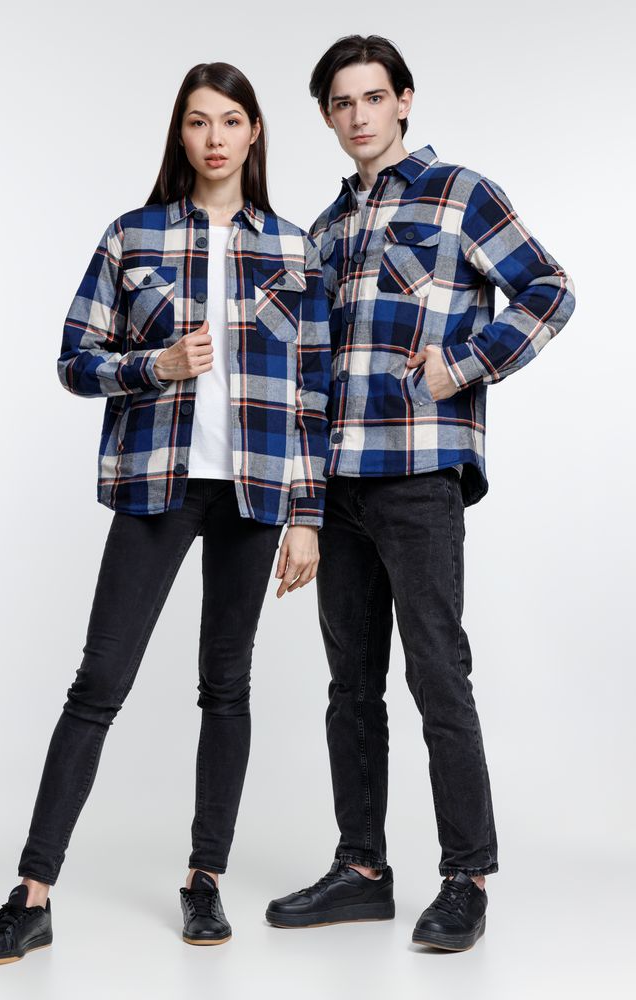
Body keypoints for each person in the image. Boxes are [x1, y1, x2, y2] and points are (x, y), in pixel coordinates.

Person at [0, 61, 330, 964]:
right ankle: (32, 894)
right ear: (181, 134)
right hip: (153, 483)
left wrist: (308, 515)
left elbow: (312, 396)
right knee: (99, 685)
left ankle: (204, 878)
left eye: (232, 120)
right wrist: (154, 366)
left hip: (253, 493)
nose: (215, 137)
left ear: (254, 132)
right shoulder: (133, 235)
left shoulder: (295, 249)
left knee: (227, 686)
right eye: (199, 121)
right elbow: (73, 359)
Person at [265, 34, 575, 951]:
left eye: (373, 97)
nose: (357, 116)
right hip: (340, 487)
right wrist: (302, 508)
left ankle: (465, 877)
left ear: (403, 99)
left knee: (438, 671)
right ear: (327, 116)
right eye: (341, 103)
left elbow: (550, 288)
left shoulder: (460, 193)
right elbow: (301, 374)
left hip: (420, 476)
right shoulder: (324, 231)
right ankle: (361, 869)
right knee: (349, 687)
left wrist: (467, 364)